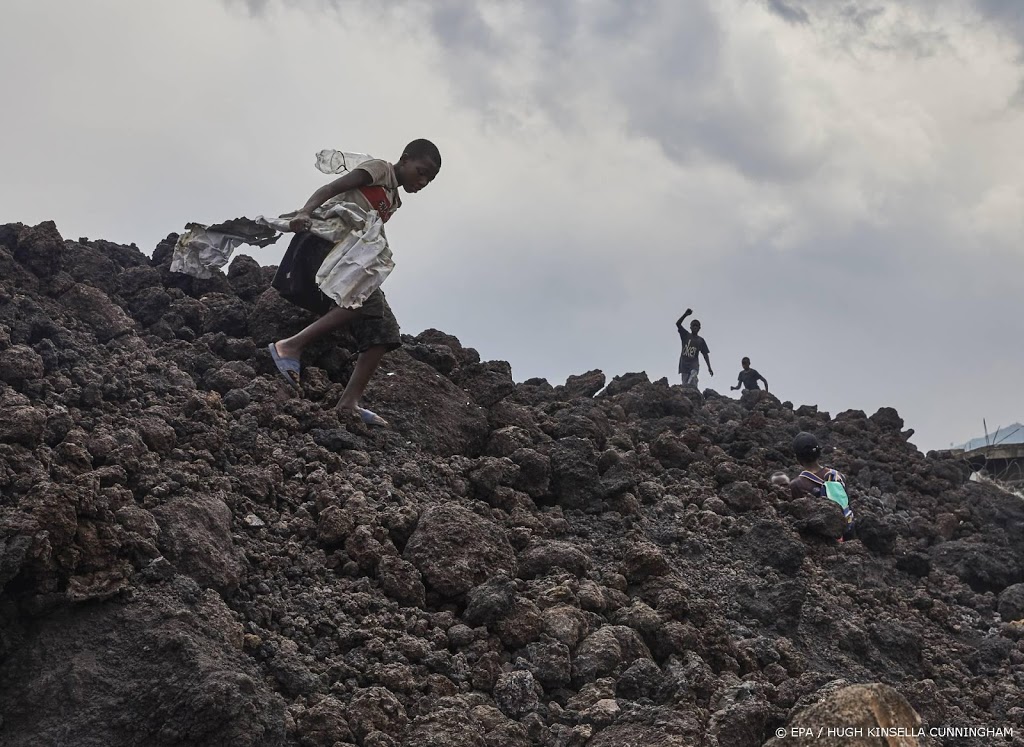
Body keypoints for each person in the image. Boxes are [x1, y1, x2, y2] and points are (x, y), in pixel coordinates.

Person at [267, 139, 442, 426]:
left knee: (383, 326)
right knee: (362, 300)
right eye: (421, 171)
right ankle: (288, 347)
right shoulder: (379, 170)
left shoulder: (393, 200)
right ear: (405, 159)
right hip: (323, 241)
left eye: (429, 180)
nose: (422, 182)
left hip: (344, 255)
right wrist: (304, 212)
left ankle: (348, 403)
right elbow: (330, 189)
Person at [789, 432, 856, 541]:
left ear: (798, 458)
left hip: (823, 543)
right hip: (848, 536)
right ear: (819, 453)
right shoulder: (839, 476)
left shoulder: (796, 485)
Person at [676, 308, 712, 387]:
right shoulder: (685, 335)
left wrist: (709, 367)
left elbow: (705, 354)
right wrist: (685, 314)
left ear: (699, 328)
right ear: (690, 327)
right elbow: (678, 324)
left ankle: (695, 390)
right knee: (685, 385)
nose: (695, 327)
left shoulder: (700, 340)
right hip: (684, 365)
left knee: (693, 378)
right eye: (693, 325)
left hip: (693, 365)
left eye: (697, 326)